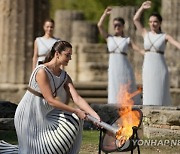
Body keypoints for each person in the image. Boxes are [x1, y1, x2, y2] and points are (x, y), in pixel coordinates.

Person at [0, 41, 100, 154]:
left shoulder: (64, 76)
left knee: (74, 119)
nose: (70, 58)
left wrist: (95, 115)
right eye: (67, 55)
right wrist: (76, 111)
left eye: (71, 55)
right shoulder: (42, 71)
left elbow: (76, 98)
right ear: (57, 54)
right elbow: (50, 101)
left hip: (46, 114)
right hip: (29, 115)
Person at [133, 1, 180, 106]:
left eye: (155, 22)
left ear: (159, 23)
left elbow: (177, 44)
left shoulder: (165, 36)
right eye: (150, 22)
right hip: (148, 66)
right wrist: (142, 8)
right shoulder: (145, 34)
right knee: (149, 91)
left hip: (160, 67)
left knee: (161, 92)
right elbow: (135, 20)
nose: (152, 24)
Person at [97, 7, 143, 105]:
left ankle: (127, 105)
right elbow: (100, 25)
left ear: (123, 26)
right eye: (115, 25)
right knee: (114, 85)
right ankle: (114, 105)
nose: (117, 27)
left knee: (125, 85)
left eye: (119, 25)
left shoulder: (127, 39)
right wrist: (105, 14)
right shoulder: (109, 38)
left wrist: (146, 53)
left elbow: (137, 48)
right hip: (113, 65)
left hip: (124, 66)